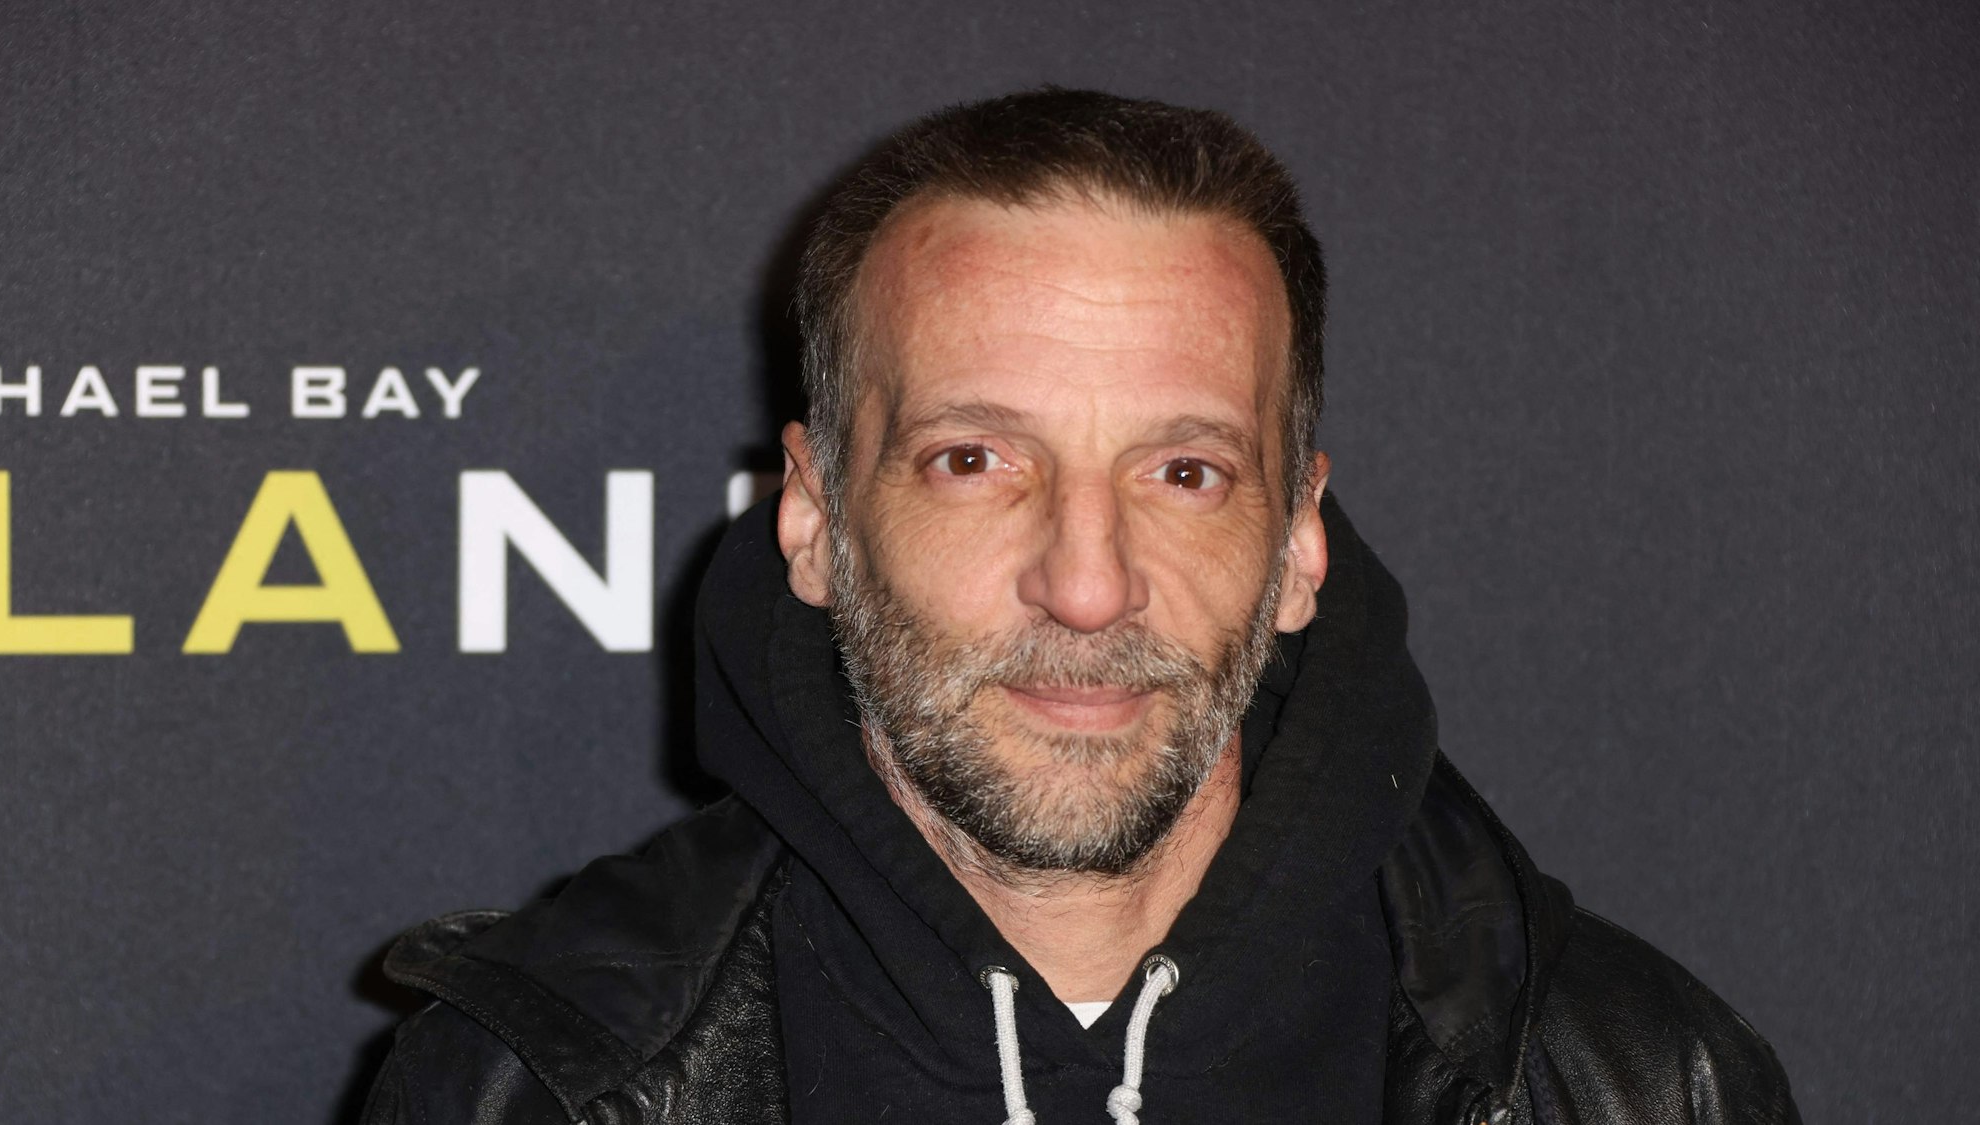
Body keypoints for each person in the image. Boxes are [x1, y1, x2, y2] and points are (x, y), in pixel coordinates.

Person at [360, 87, 1799, 1125]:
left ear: (1301, 536)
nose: (1089, 580)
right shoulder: (536, 1081)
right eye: (977, 461)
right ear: (812, 515)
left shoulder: (1635, 1080)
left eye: (1184, 470)